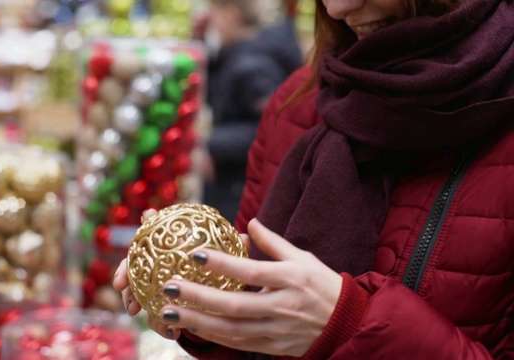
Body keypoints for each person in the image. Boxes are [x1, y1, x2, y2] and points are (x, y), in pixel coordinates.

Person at [114, 0, 514, 358]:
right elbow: (252, 341)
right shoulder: (299, 103)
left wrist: (352, 328)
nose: (337, 7)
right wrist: (213, 303)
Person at [202, 0, 301, 224]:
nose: (212, 27)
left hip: (239, 183)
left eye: (213, 18)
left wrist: (211, 143)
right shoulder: (240, 55)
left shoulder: (252, 66)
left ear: (230, 15)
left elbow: (271, 127)